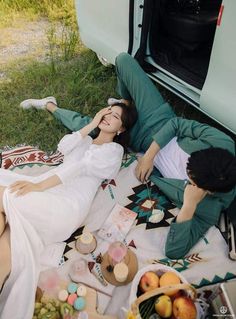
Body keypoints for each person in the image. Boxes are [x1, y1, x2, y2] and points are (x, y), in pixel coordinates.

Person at [20, 52, 236, 261]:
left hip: (136, 140)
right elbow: (177, 124)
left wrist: (188, 206)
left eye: (190, 175)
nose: (187, 168)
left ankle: (50, 105)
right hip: (158, 117)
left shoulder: (208, 208)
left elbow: (174, 250)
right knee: (124, 60)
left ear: (204, 189)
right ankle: (123, 105)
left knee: (89, 129)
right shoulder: (224, 144)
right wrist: (150, 155)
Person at [0, 102, 137, 319]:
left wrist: (38, 186)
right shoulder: (86, 142)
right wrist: (92, 123)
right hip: (49, 191)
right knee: (7, 245)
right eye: (108, 112)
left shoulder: (113, 151)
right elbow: (63, 147)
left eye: (116, 117)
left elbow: (79, 167)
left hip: (65, 205)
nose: (108, 116)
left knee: (5, 195)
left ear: (121, 129)